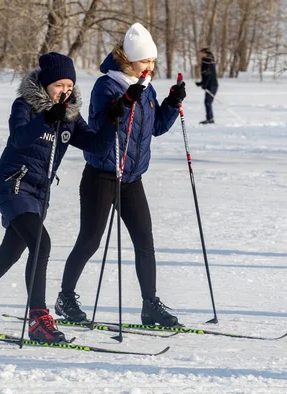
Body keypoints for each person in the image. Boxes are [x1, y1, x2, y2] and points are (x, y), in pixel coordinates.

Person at [0, 52, 115, 343]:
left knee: (12, 251)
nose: (65, 91)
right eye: (59, 85)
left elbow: (97, 145)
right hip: (13, 184)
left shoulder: (70, 116)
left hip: (39, 192)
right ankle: (38, 318)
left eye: (69, 86)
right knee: (41, 244)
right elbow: (19, 138)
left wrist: (113, 120)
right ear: (45, 84)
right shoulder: (25, 106)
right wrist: (46, 117)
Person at [56, 23, 185, 327]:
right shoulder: (107, 85)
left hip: (131, 179)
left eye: (153, 61)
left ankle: (150, 304)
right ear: (129, 59)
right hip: (102, 174)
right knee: (90, 241)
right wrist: (125, 102)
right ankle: (66, 296)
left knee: (144, 240)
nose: (150, 66)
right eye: (145, 61)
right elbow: (103, 126)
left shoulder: (147, 86)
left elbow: (154, 128)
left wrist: (171, 102)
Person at [195, 48, 218, 124]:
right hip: (210, 85)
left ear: (206, 54)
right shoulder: (206, 61)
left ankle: (210, 119)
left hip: (212, 85)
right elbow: (206, 75)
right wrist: (201, 83)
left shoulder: (207, 62)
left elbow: (208, 75)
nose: (200, 55)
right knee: (207, 102)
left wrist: (204, 84)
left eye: (202, 53)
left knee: (208, 102)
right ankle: (210, 118)